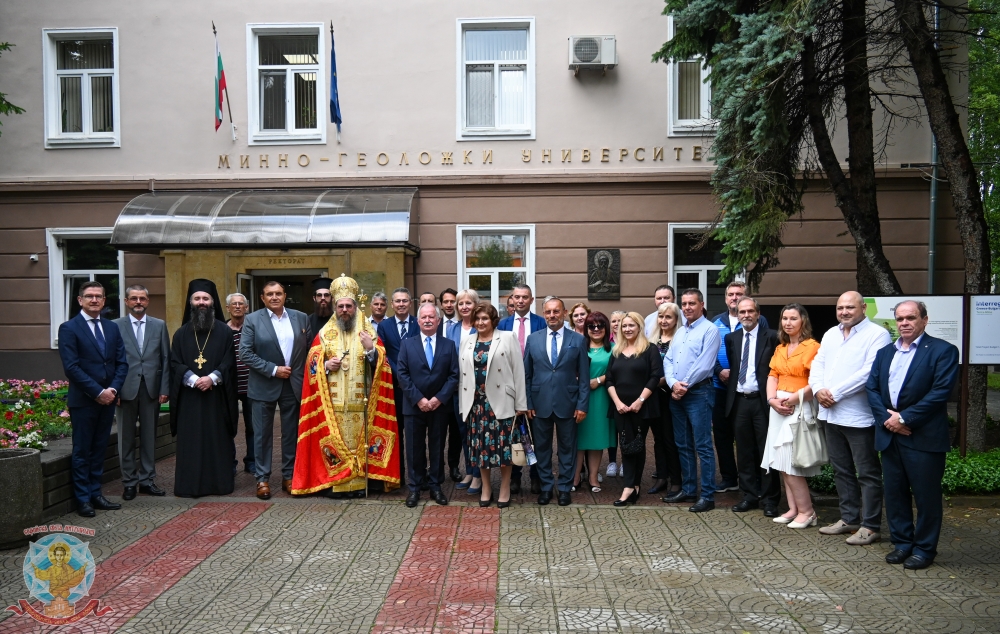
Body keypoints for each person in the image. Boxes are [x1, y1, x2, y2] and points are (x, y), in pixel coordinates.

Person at [866, 300, 959, 570]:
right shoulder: (885, 352)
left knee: (926, 498)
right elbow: (872, 389)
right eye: (900, 318)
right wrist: (889, 421)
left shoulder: (943, 351)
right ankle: (903, 543)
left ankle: (924, 549)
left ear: (924, 320)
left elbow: (940, 392)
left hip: (924, 438)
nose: (904, 323)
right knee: (895, 494)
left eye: (911, 317)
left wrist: (904, 418)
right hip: (891, 436)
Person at [293, 275, 401, 497]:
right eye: (340, 306)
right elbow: (311, 363)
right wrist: (325, 365)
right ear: (335, 307)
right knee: (336, 441)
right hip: (332, 405)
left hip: (362, 403)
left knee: (361, 443)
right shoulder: (325, 333)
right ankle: (336, 483)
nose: (344, 310)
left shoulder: (368, 331)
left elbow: (383, 364)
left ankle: (360, 484)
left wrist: (371, 349)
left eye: (348, 306)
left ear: (354, 307)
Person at [811, 291, 892, 544]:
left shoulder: (877, 335)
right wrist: (817, 389)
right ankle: (849, 519)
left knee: (867, 473)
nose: (844, 312)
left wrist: (834, 393)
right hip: (831, 414)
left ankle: (871, 526)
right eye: (840, 308)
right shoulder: (830, 334)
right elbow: (818, 364)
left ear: (863, 308)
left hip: (859, 417)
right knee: (842, 470)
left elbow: (869, 372)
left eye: (850, 307)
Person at [58, 281, 128, 518]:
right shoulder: (69, 328)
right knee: (82, 450)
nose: (94, 300)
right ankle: (83, 499)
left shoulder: (111, 327)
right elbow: (72, 367)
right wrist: (98, 392)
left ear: (104, 300)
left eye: (99, 296)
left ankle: (96, 493)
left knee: (99, 448)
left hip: (108, 399)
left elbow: (121, 363)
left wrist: (113, 390)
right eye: (89, 296)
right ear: (80, 300)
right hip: (85, 401)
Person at [240, 281, 312, 500]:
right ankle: (262, 478)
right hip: (264, 384)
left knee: (291, 433)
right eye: (269, 294)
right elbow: (245, 353)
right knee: (262, 435)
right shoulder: (253, 319)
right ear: (262, 298)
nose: (274, 297)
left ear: (284, 295)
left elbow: (310, 350)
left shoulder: (301, 318)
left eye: (278, 293)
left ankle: (289, 476)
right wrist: (272, 369)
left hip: (293, 385)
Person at [169, 279, 238, 497]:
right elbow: (175, 362)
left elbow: (229, 362)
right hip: (190, 399)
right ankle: (189, 486)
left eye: (205, 298)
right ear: (190, 302)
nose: (201, 302)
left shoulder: (225, 332)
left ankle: (219, 485)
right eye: (197, 298)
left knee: (217, 440)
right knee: (191, 442)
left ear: (212, 302)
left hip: (216, 397)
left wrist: (211, 378)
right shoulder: (180, 334)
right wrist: (192, 378)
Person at [523, 297, 590, 506]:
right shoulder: (533, 339)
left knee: (567, 448)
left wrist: (582, 405)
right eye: (548, 312)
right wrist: (528, 403)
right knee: (542, 449)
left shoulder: (577, 340)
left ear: (564, 312)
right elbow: (527, 374)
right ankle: (545, 487)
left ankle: (564, 488)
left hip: (568, 403)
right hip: (539, 403)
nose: (552, 315)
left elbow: (584, 377)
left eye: (556, 311)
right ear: (544, 314)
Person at [460, 302, 527, 508]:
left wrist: (521, 404)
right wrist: (463, 406)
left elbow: (518, 372)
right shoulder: (467, 341)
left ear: (493, 320)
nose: (480, 322)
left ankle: (505, 488)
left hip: (502, 402)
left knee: (505, 449)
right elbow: (463, 376)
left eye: (485, 318)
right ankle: (486, 488)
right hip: (476, 405)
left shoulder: (507, 337)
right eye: (477, 319)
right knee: (481, 449)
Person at [762, 303, 822, 528]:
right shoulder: (781, 347)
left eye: (793, 318)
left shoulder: (813, 347)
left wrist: (792, 400)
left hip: (798, 407)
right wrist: (772, 400)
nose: (788, 323)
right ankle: (794, 508)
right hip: (778, 408)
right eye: (785, 318)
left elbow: (816, 381)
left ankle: (808, 512)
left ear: (803, 321)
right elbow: (772, 375)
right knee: (780, 460)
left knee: (791, 461)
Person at [662, 289, 721, 512]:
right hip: (677, 394)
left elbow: (704, 365)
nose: (687, 307)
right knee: (683, 444)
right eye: (684, 304)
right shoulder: (680, 331)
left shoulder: (710, 330)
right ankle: (688, 490)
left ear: (701, 304)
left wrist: (682, 386)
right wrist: (672, 384)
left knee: (703, 446)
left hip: (698, 393)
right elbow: (668, 360)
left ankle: (707, 495)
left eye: (692, 303)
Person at [397, 303, 459, 507]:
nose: (427, 320)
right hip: (414, 406)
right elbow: (402, 374)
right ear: (418, 321)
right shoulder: (407, 344)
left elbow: (453, 375)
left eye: (431, 317)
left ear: (438, 321)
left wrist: (438, 399)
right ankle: (414, 488)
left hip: (439, 407)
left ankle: (435, 486)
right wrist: (419, 399)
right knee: (414, 448)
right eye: (424, 317)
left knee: (437, 447)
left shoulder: (448, 345)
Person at [711, 282, 771, 494]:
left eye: (739, 294)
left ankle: (758, 482)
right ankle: (729, 478)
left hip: (749, 390)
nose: (734, 298)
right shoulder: (716, 322)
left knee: (751, 438)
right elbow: (709, 352)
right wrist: (719, 371)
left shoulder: (758, 321)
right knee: (722, 435)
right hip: (720, 387)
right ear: (725, 298)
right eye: (731, 294)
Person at [725, 297, 781, 516]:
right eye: (742, 312)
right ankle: (749, 496)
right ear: (737, 315)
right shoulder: (732, 338)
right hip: (739, 401)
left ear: (758, 314)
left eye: (750, 311)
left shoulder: (772, 336)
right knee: (744, 450)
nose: (746, 315)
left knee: (766, 450)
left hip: (762, 401)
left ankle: (770, 500)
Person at [113, 284, 170, 500]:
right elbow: (111, 360)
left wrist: (164, 388)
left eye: (142, 298)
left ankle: (147, 480)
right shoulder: (115, 326)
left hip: (151, 390)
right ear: (126, 301)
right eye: (134, 298)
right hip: (124, 389)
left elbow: (165, 358)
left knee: (149, 437)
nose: (138, 302)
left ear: (148, 301)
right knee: (125, 438)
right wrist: (114, 390)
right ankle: (129, 482)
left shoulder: (159, 325)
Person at [606, 312, 663, 506]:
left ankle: (631, 486)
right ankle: (632, 486)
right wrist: (617, 403)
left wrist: (640, 401)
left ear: (639, 327)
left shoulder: (650, 349)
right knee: (626, 444)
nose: (627, 329)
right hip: (620, 407)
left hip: (642, 406)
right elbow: (609, 379)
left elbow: (655, 377)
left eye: (631, 325)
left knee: (637, 444)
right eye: (624, 326)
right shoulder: (616, 351)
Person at [497, 283, 546, 494]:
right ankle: (515, 478)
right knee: (513, 434)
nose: (520, 300)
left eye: (525, 297)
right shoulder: (503, 324)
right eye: (517, 297)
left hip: (536, 386)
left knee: (537, 435)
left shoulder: (541, 323)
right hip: (510, 386)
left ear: (531, 300)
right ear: (512, 300)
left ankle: (536, 477)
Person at [377, 287, 418, 486]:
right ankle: (397, 477)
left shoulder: (418, 323)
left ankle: (417, 477)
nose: (401, 304)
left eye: (405, 300)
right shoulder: (384, 326)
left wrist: (408, 378)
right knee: (395, 433)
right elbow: (383, 354)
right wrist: (400, 375)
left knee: (415, 436)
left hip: (415, 389)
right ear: (392, 305)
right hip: (394, 389)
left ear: (410, 303)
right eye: (398, 301)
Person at [573, 312, 615, 493]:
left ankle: (593, 477)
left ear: (606, 328)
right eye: (591, 326)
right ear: (586, 329)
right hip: (579, 397)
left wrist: (598, 380)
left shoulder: (613, 348)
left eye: (600, 325)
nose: (596, 329)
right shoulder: (578, 346)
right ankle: (575, 477)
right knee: (578, 438)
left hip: (601, 397)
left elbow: (616, 371)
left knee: (596, 438)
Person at [649, 302, 683, 496]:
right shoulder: (652, 340)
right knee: (658, 439)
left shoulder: (680, 340)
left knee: (671, 439)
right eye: (661, 316)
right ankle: (661, 477)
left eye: (668, 317)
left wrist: (658, 382)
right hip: (654, 396)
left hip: (672, 395)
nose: (664, 320)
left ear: (676, 319)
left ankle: (676, 480)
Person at [453, 289, 483, 492]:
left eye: (468, 303)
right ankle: (470, 471)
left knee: (478, 433)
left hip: (479, 390)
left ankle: (479, 476)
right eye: (461, 303)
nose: (464, 307)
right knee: (464, 433)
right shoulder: (452, 329)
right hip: (458, 389)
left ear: (476, 305)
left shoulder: (481, 326)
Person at [226, 292, 254, 473]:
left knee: (253, 427)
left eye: (241, 304)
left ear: (246, 307)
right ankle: (230, 463)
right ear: (228, 308)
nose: (237, 306)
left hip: (252, 385)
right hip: (229, 386)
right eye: (234, 304)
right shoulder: (222, 330)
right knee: (229, 426)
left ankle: (252, 462)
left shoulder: (253, 328)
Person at [438, 287, 463, 482]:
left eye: (452, 301)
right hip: (437, 388)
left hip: (457, 388)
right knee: (438, 432)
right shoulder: (434, 324)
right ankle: (437, 468)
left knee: (456, 432)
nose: (449, 305)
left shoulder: (463, 326)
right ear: (441, 304)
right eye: (445, 301)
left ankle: (454, 466)